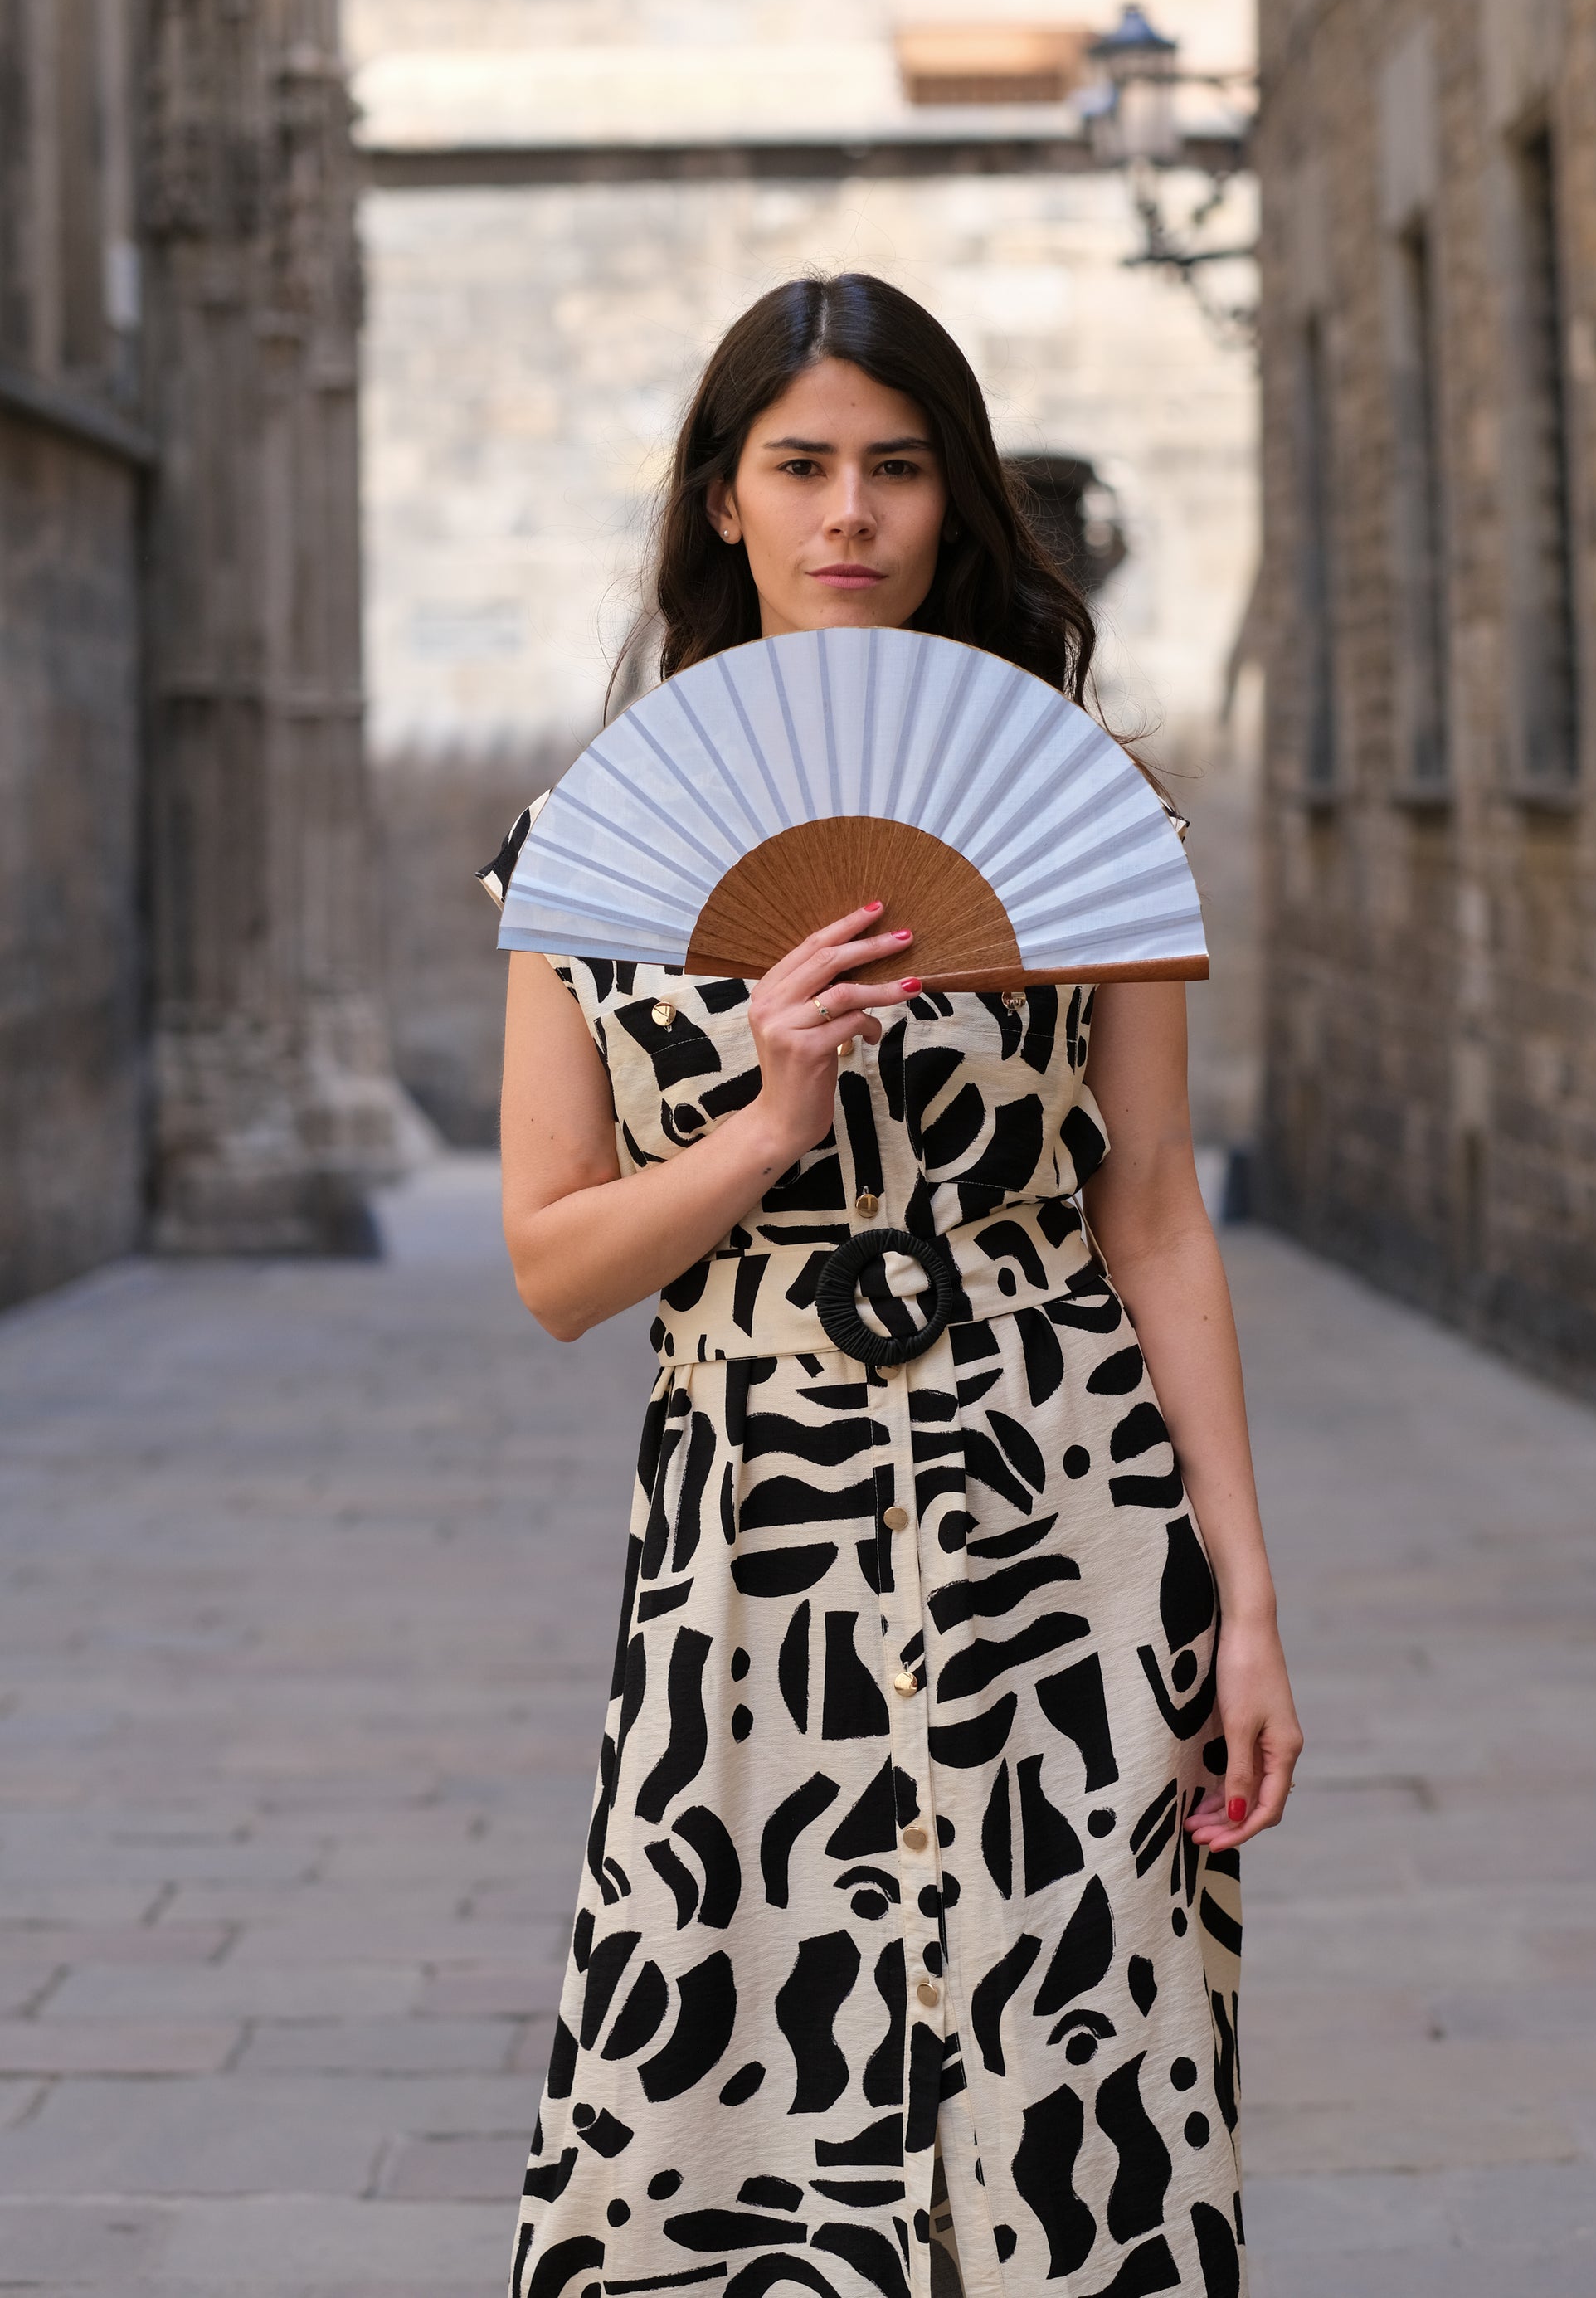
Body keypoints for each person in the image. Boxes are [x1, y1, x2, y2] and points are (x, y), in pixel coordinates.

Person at [486, 273, 1302, 2298]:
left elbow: (1155, 1217)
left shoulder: (1090, 814)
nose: (850, 511)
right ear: (721, 505)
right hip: (751, 1529)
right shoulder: (585, 850)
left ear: (952, 501)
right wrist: (764, 1117)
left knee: (1080, 2056)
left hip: (1068, 1509)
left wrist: (1248, 1599)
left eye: (898, 465)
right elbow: (550, 1262)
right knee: (728, 2060)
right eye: (801, 466)